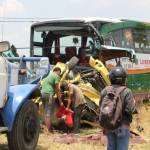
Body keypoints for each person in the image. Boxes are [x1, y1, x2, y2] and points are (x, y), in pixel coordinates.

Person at [100, 66, 135, 150]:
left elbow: (101, 108)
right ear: (124, 79)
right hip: (122, 125)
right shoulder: (127, 91)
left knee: (111, 148)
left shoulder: (105, 90)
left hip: (109, 125)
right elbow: (130, 109)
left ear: (111, 78)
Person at [41, 67, 62, 133]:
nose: (59, 75)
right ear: (58, 71)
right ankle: (49, 130)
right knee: (48, 112)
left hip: (42, 94)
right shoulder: (56, 76)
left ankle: (45, 128)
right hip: (49, 94)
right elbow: (57, 89)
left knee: (46, 111)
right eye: (59, 73)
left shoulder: (48, 76)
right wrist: (60, 101)